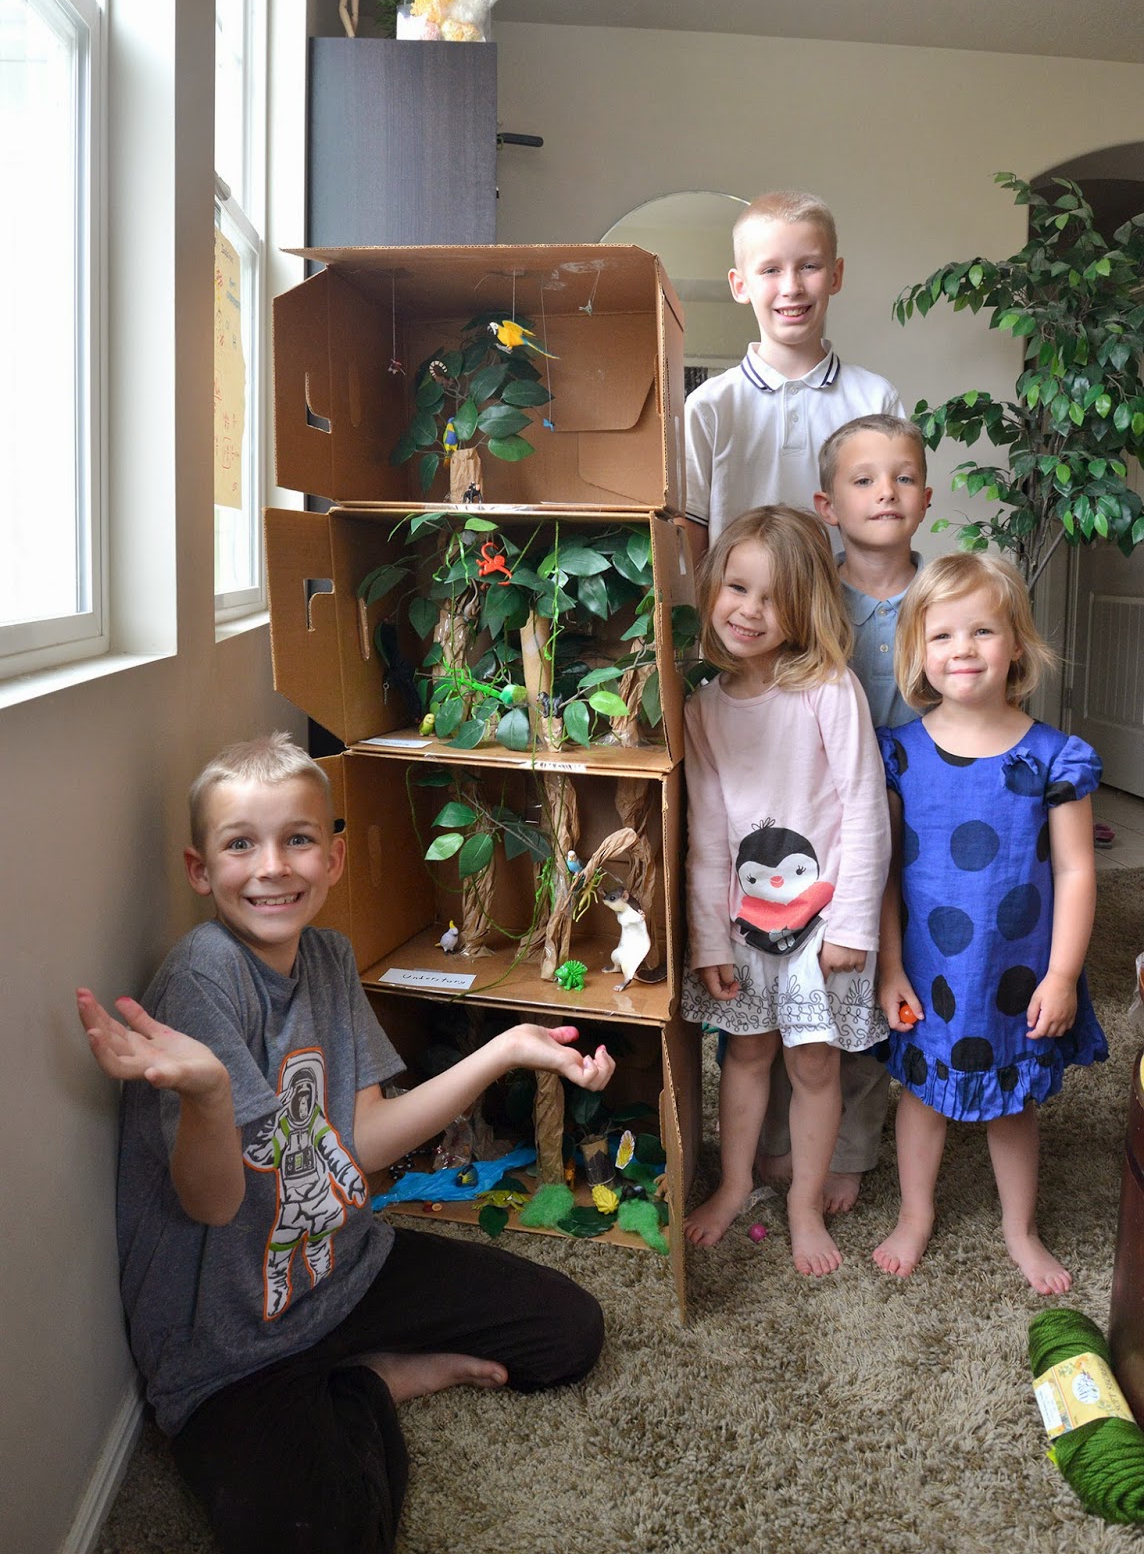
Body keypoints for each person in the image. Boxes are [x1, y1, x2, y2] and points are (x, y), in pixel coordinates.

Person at [75, 733, 614, 1554]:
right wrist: (212, 1097)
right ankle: (370, 1385)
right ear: (199, 869)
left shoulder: (327, 956)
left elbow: (362, 1144)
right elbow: (212, 1203)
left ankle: (352, 1371)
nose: (272, 867)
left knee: (569, 1334)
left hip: (343, 1268)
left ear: (333, 858)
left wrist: (504, 1050)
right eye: (240, 845)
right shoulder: (202, 980)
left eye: (297, 839)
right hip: (230, 1343)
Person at [873, 554, 1107, 1292]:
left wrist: (1063, 975)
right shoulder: (900, 753)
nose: (963, 649)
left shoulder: (1055, 758)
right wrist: (889, 968)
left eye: (982, 630)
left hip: (1018, 971)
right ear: (916, 651)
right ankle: (916, 1214)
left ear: (1017, 644)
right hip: (930, 972)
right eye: (942, 635)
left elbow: (1076, 871)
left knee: (1014, 1105)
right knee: (922, 1097)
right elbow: (884, 875)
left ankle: (1019, 1228)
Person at [681, 507, 889, 1276]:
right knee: (745, 1054)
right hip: (744, 925)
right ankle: (735, 1183)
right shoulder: (703, 708)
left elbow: (865, 811)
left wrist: (853, 926)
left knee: (814, 1067)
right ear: (713, 588)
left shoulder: (828, 690)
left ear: (804, 610)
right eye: (737, 587)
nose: (749, 610)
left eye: (773, 598)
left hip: (824, 926)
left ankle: (804, 1202)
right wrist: (709, 939)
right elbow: (707, 835)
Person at [753, 414, 932, 1211]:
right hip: (819, 825)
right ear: (828, 506)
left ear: (925, 497)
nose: (885, 492)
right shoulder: (808, 594)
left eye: (902, 477)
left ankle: (852, 1146)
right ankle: (779, 1136)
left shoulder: (943, 595)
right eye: (864, 480)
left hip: (918, 820)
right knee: (795, 980)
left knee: (872, 989)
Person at [683, 189, 903, 562]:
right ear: (740, 285)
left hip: (845, 603)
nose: (792, 288)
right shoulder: (709, 405)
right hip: (737, 602)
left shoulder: (876, 399)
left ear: (836, 275)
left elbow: (891, 525)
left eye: (809, 266)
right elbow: (690, 537)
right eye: (771, 270)